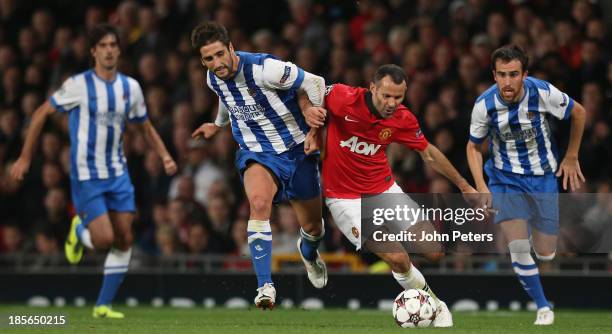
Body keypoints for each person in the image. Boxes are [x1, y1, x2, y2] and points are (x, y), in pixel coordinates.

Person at [10, 24, 177, 318]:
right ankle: (79, 230)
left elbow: (145, 126)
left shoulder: (131, 88)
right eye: (103, 45)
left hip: (118, 173)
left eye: (113, 44)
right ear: (93, 51)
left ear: (119, 50)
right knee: (103, 240)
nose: (109, 49)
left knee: (125, 238)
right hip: (87, 175)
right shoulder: (78, 85)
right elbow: (40, 113)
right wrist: (25, 156)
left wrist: (164, 155)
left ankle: (102, 305)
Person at [302, 64, 479, 328]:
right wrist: (312, 125)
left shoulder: (403, 118)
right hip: (345, 198)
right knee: (397, 257)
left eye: (398, 97)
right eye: (386, 96)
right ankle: (436, 304)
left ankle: (413, 282)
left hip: (384, 191)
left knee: (434, 251)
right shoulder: (342, 97)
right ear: (372, 88)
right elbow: (306, 89)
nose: (391, 103)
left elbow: (428, 153)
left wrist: (465, 186)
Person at [189, 21, 327, 309]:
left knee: (313, 226)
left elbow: (315, 83)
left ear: (230, 48)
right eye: (208, 59)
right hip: (256, 151)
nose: (215, 63)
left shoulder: (266, 69)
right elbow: (228, 101)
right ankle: (265, 286)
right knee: (259, 203)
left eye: (218, 55)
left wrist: (315, 131)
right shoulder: (212, 78)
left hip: (297, 149)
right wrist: (217, 125)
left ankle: (309, 251)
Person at [466, 45, 586, 325]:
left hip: (543, 177)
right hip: (504, 178)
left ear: (525, 74)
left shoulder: (542, 92)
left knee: (546, 252)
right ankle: (543, 307)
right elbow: (473, 148)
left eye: (514, 74)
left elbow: (578, 112)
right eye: (502, 75)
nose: (508, 82)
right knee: (518, 247)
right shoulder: (484, 105)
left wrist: (571, 155)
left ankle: (535, 237)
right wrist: (481, 186)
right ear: (494, 76)